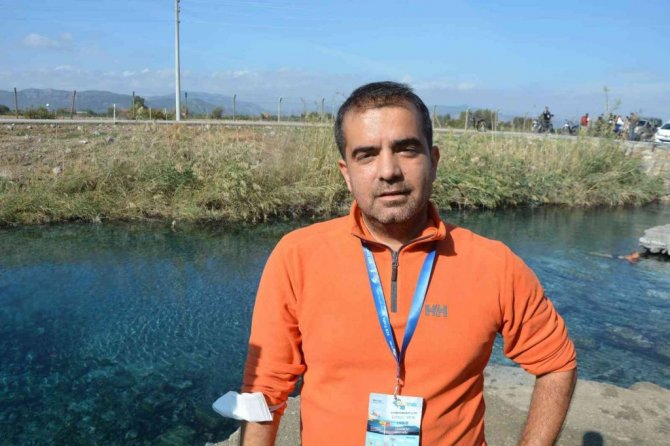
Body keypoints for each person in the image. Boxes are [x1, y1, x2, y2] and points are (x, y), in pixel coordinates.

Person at [239, 82, 577, 445]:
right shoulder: (297, 257)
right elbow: (265, 390)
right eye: (367, 154)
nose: (388, 171)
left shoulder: (494, 265)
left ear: (434, 161)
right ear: (346, 173)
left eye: (406, 149)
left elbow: (557, 364)